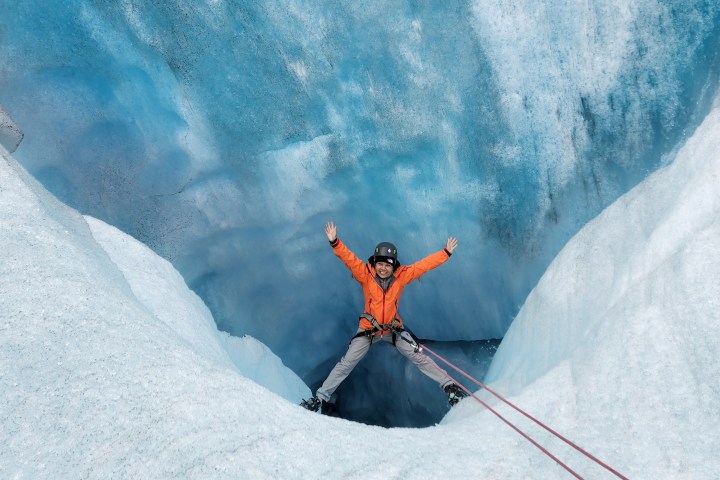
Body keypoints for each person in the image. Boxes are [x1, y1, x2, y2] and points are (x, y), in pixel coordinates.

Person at [300, 221, 465, 413]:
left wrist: (445, 253)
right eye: (380, 264)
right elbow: (349, 259)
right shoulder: (365, 274)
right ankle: (319, 399)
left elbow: (423, 266)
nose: (383, 268)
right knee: (347, 363)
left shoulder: (401, 276)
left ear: (393, 265)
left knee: (418, 356)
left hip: (393, 329)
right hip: (368, 330)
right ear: (375, 262)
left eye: (387, 265)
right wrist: (335, 242)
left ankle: (449, 386)